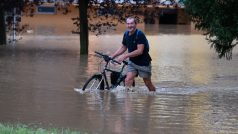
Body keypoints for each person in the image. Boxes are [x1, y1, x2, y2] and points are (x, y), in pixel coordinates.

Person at [110, 17, 156, 92]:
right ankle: (127, 100)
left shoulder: (139, 34)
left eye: (132, 23)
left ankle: (153, 96)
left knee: (147, 83)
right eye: (128, 23)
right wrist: (113, 56)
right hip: (132, 62)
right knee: (127, 80)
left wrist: (125, 56)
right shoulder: (126, 34)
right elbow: (123, 47)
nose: (130, 25)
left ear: (135, 24)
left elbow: (139, 51)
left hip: (143, 63)